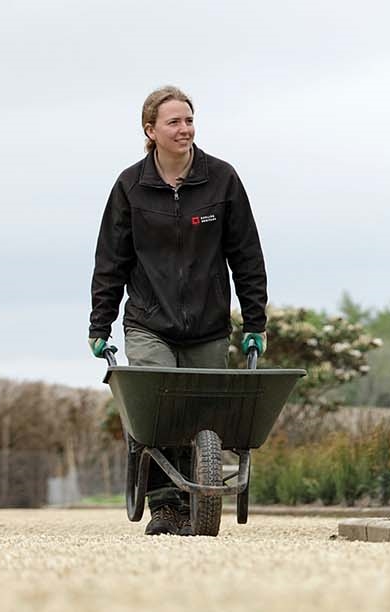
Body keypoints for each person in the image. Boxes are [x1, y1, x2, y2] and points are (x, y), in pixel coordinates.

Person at [88, 86, 269, 535]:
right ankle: (165, 507)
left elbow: (246, 256)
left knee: (203, 418)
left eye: (189, 120)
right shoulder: (130, 186)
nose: (184, 129)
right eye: (173, 122)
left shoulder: (221, 179)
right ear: (150, 130)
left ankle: (197, 501)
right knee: (161, 414)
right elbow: (111, 260)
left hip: (208, 325)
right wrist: (100, 323)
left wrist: (255, 322)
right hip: (149, 321)